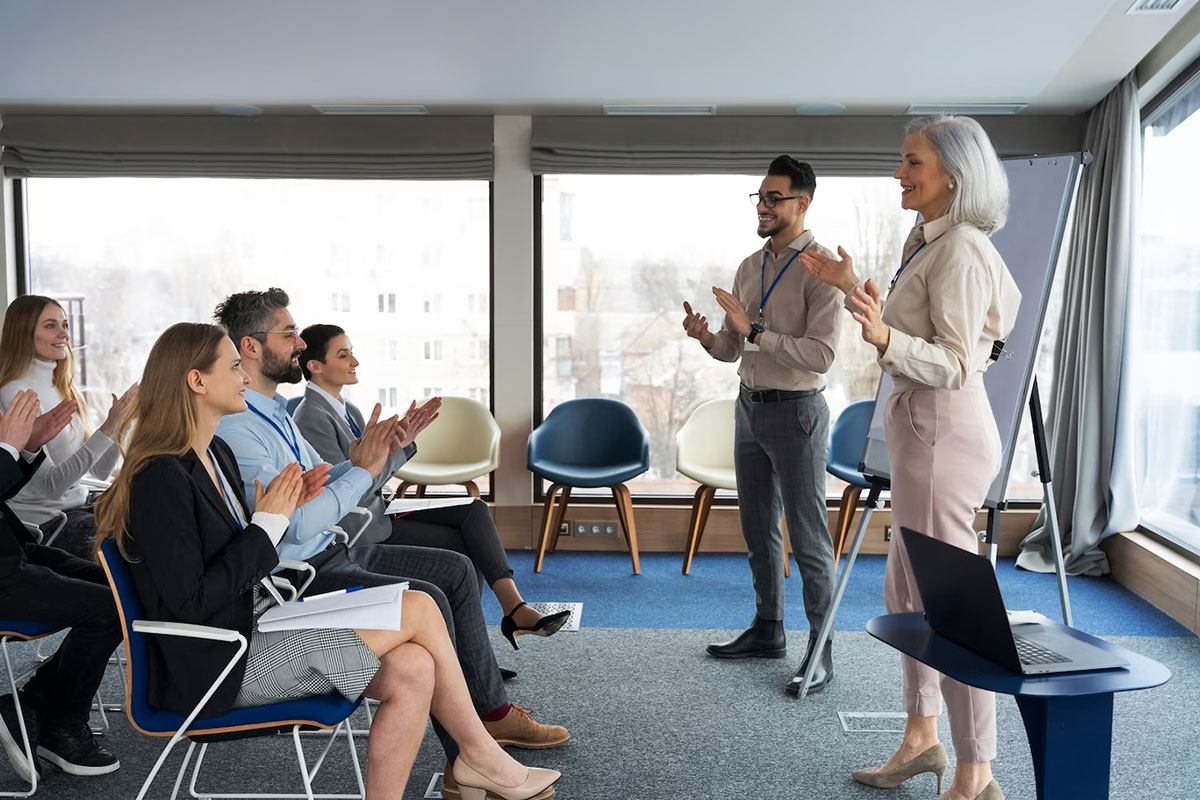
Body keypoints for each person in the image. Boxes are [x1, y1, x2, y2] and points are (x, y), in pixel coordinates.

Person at [92, 322, 560, 800]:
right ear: (197, 381)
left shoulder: (213, 455)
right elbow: (191, 602)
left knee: (415, 665)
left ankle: (468, 761)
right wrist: (268, 525)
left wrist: (282, 511)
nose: (245, 377)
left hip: (258, 620)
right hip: (221, 661)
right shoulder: (160, 478)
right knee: (420, 607)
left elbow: (236, 554)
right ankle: (479, 756)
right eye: (233, 367)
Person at [210, 289, 570, 774]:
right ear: (251, 347)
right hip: (304, 571)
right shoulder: (243, 427)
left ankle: (491, 715)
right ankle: (470, 756)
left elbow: (330, 482)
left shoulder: (274, 413)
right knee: (431, 597)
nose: (298, 342)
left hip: (334, 548)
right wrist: (364, 469)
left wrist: (379, 456)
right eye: (289, 333)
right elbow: (294, 527)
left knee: (457, 570)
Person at [799, 115, 1018, 800]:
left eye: (912, 161)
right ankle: (922, 739)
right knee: (906, 593)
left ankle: (976, 772)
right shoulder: (928, 240)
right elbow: (911, 327)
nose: (899, 172)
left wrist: (884, 335)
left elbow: (956, 362)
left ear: (954, 174)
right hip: (920, 436)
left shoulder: (962, 250)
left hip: (944, 435)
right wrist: (855, 289)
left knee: (950, 604)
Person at [293, 323, 571, 648]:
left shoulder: (347, 409)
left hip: (378, 510)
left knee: (474, 510)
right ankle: (476, 648)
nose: (355, 361)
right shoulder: (311, 418)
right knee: (463, 545)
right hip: (362, 527)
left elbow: (367, 473)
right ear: (315, 366)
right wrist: (397, 451)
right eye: (344, 355)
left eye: (352, 352)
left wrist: (396, 447)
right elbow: (352, 488)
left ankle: (507, 615)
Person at [681, 155, 843, 694]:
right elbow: (734, 348)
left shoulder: (823, 268)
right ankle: (769, 629)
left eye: (775, 198)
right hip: (749, 406)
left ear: (803, 203)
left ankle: (820, 649)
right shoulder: (750, 266)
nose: (763, 207)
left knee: (808, 535)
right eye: (760, 197)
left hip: (797, 412)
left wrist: (754, 332)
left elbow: (821, 355)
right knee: (757, 527)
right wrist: (708, 337)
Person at [0, 387, 122, 781]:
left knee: (121, 592)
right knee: (108, 611)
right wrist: (6, 449)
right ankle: (62, 727)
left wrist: (26, 448)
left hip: (14, 549)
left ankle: (31, 704)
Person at [0, 295, 138, 559]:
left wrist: (121, 423)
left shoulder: (62, 387)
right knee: (141, 536)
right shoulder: (16, 395)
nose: (64, 333)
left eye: (64, 324)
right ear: (23, 333)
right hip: (51, 524)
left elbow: (100, 471)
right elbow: (52, 486)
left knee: (156, 511)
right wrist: (107, 428)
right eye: (51, 326)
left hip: (81, 507)